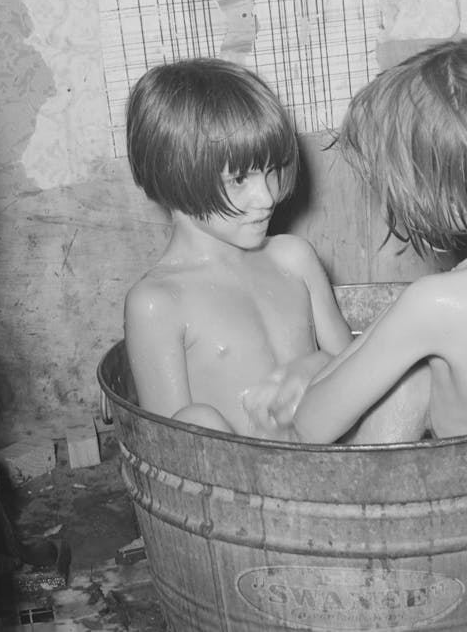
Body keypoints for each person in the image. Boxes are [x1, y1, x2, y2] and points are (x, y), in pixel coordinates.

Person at [267, 39, 467, 442]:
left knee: (409, 378)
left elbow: (312, 425)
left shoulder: (435, 303)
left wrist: (317, 364)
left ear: (437, 195)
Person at [122, 58, 351, 438]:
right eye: (241, 178)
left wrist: (317, 366)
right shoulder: (157, 302)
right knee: (197, 421)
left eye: (272, 170)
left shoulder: (293, 259)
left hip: (329, 454)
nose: (267, 197)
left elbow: (357, 374)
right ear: (175, 174)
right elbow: (171, 448)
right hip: (235, 471)